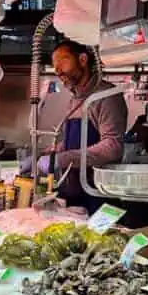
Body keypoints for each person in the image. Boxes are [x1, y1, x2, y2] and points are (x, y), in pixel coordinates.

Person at [32, 40, 127, 213]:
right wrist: (50, 154)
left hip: (98, 193)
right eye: (55, 65)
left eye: (63, 61)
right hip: (75, 192)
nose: (57, 70)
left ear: (83, 59)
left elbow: (113, 146)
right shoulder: (75, 97)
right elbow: (75, 142)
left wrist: (63, 159)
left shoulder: (106, 96)